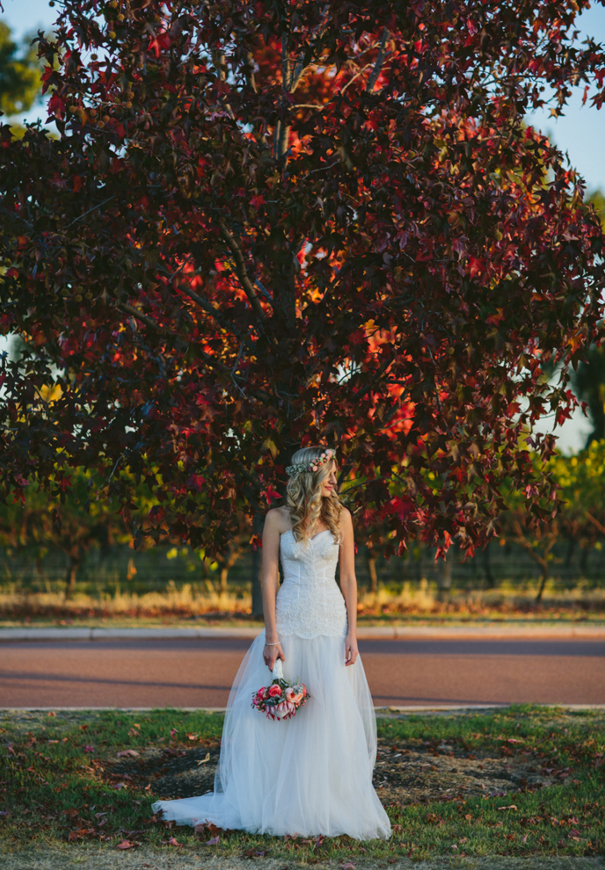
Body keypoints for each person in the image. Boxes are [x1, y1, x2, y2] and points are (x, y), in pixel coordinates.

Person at [152, 445, 392, 839]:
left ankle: (324, 801)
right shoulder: (276, 519)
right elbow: (268, 577)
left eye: (335, 473)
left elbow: (348, 578)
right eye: (329, 473)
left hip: (331, 623)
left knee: (328, 714)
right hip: (290, 622)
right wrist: (271, 635)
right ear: (308, 475)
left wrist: (353, 631)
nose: (335, 480)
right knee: (280, 714)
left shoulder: (342, 517)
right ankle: (276, 799)